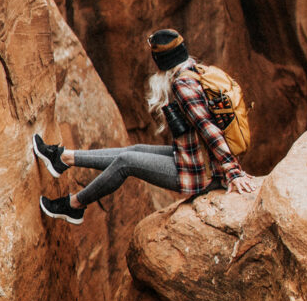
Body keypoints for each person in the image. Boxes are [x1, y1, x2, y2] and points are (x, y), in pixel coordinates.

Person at [33, 29, 255, 224]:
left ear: (161, 61)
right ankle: (63, 158)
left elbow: (208, 127)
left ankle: (73, 206)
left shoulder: (182, 84)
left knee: (126, 162)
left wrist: (233, 172)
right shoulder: (196, 71)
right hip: (196, 159)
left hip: (203, 174)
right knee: (134, 150)